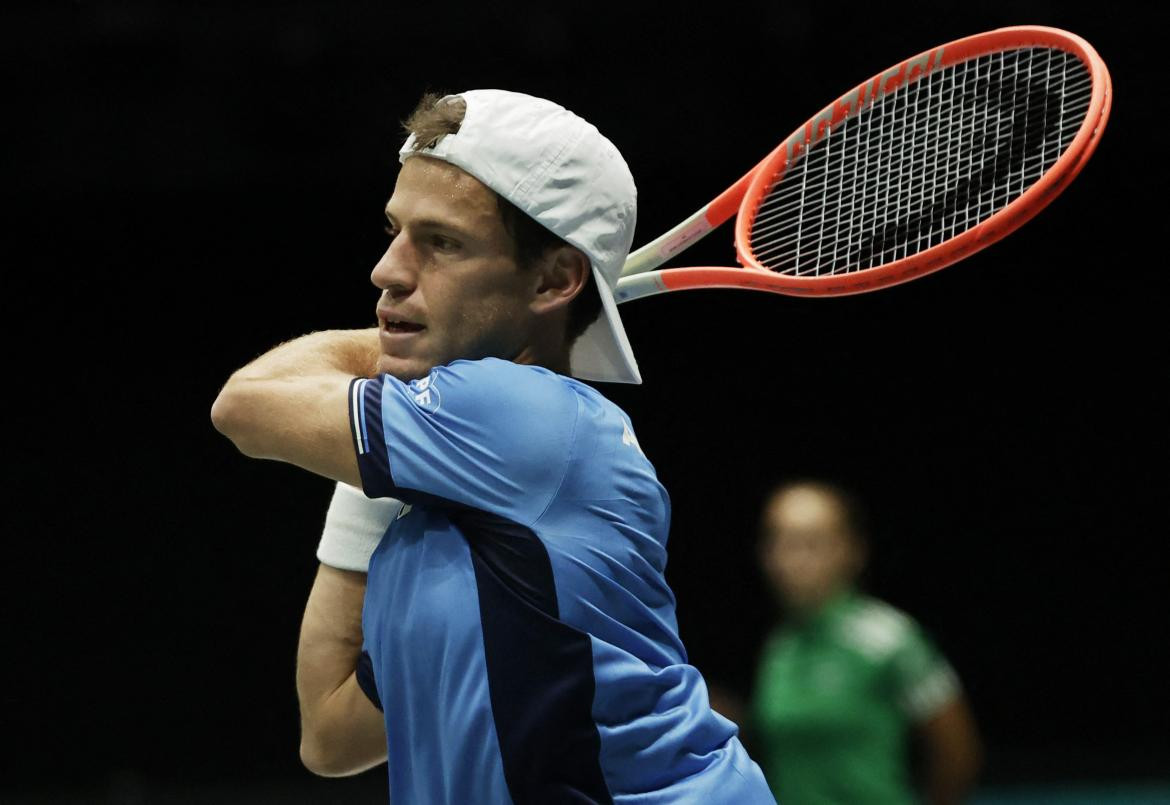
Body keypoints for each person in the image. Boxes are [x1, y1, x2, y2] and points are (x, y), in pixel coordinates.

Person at [211, 89, 773, 803]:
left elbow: (245, 403)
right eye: (395, 230)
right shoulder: (442, 525)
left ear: (554, 279)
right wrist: (378, 453)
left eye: (440, 242)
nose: (388, 269)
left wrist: (388, 372)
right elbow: (332, 732)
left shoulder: (523, 413)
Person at [749, 480, 982, 804]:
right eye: (777, 541)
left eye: (810, 543)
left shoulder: (889, 638)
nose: (789, 559)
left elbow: (958, 753)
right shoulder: (780, 646)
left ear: (852, 550)